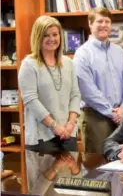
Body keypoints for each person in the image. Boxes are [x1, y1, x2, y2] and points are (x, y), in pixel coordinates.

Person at [18, 15, 81, 152]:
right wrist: (54, 126)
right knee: (43, 174)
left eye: (55, 34)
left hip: (68, 133)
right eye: (46, 35)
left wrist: (70, 124)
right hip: (42, 137)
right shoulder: (29, 65)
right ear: (38, 37)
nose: (52, 39)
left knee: (69, 174)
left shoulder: (68, 63)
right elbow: (31, 100)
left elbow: (75, 94)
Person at [73, 7, 123, 154]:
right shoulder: (82, 54)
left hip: (121, 116)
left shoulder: (120, 52)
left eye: (107, 21)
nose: (104, 25)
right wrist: (112, 113)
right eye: (99, 21)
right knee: (98, 167)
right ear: (90, 24)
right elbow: (87, 90)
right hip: (95, 117)